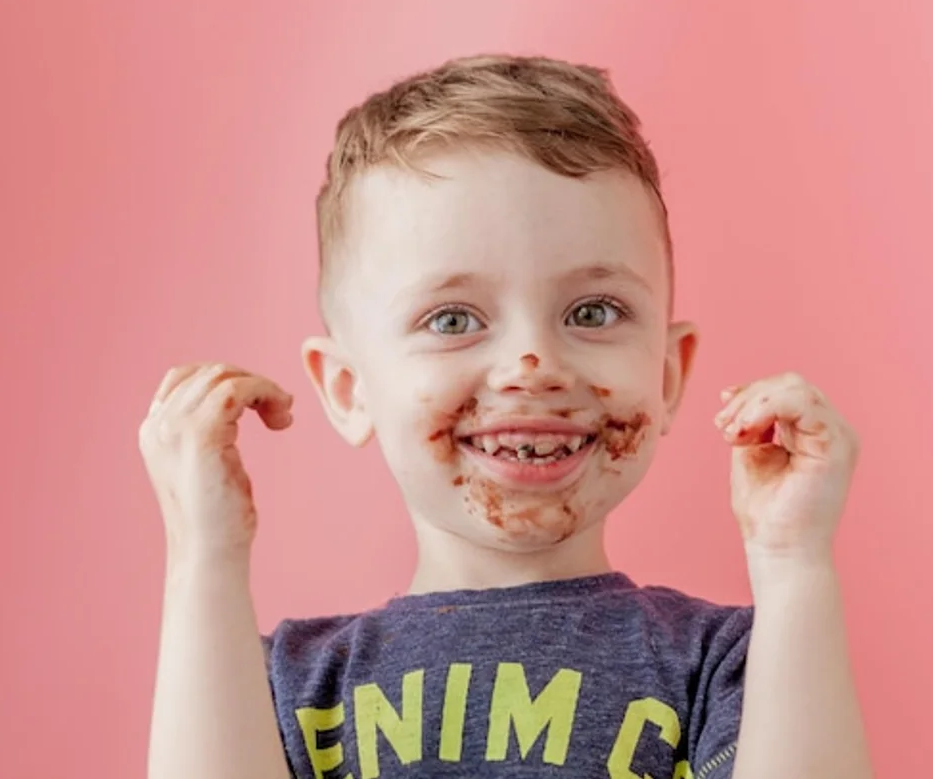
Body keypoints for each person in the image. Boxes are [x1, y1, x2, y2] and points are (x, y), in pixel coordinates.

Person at [139, 54, 872, 779]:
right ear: (348, 387)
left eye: (593, 311)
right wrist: (205, 555)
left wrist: (793, 561)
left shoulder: (730, 665)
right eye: (453, 318)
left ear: (667, 373)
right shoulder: (279, 686)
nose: (534, 361)